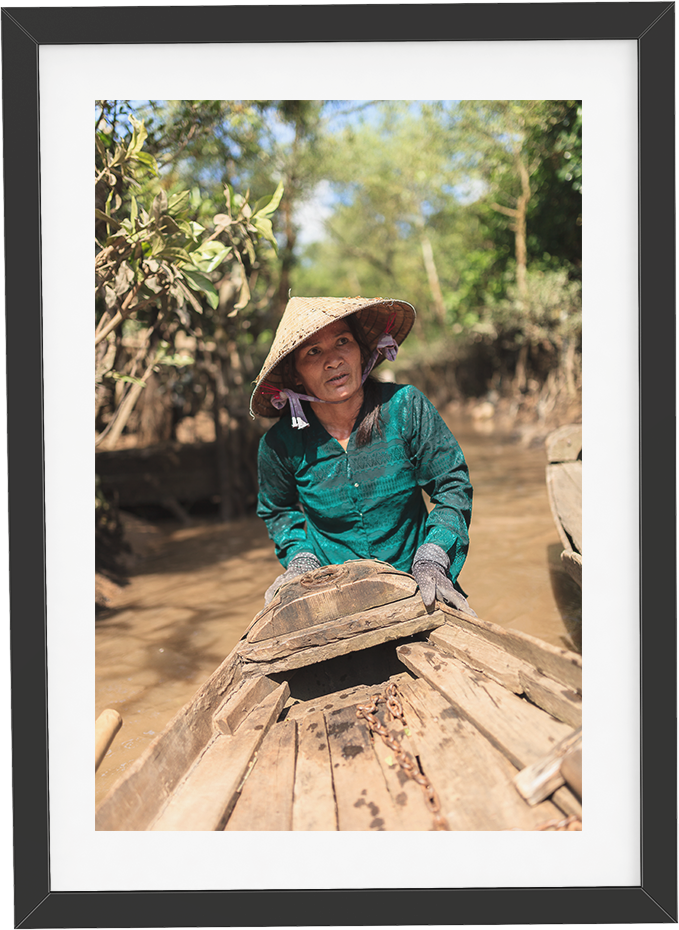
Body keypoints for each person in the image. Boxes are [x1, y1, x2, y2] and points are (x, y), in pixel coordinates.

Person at [250, 295, 475, 615]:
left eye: (343, 342)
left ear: (361, 351)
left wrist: (433, 557)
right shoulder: (279, 445)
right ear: (296, 375)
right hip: (335, 601)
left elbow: (452, 486)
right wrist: (301, 560)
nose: (333, 360)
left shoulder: (405, 406)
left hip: (422, 586)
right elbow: (278, 511)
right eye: (313, 351)